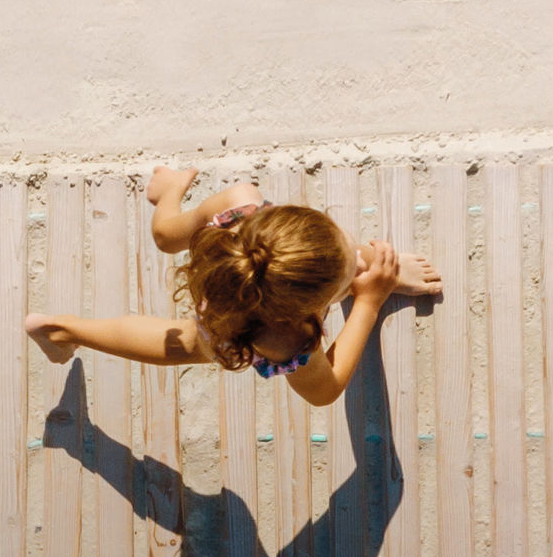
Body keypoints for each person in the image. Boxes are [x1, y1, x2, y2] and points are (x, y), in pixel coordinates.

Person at [24, 166, 443, 405]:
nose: (357, 261)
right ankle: (64, 331)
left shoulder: (239, 206)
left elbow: (165, 237)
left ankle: (59, 328)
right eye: (350, 275)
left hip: (224, 284)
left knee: (192, 325)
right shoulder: (286, 337)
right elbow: (325, 391)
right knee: (189, 344)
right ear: (311, 307)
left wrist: (170, 198)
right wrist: (370, 301)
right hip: (234, 327)